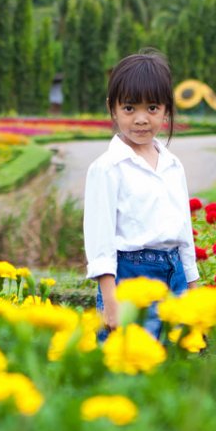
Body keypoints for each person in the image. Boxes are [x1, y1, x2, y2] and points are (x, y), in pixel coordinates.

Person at [82, 48, 197, 339]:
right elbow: (100, 242)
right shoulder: (107, 168)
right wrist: (110, 302)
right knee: (130, 359)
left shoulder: (172, 164)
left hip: (175, 276)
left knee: (174, 359)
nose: (141, 119)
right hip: (130, 278)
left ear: (167, 109)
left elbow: (184, 231)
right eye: (130, 108)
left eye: (152, 108)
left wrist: (193, 288)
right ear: (112, 108)